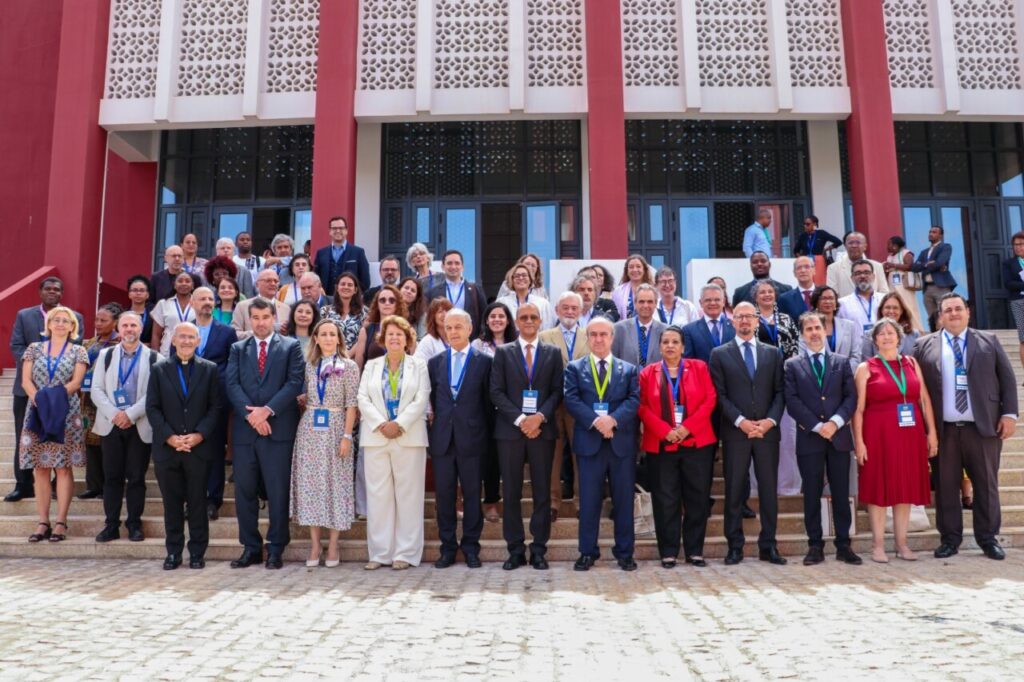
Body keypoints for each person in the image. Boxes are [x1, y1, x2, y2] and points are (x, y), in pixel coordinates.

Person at [914, 293, 1018, 561]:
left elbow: (1007, 378)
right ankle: (950, 539)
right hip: (944, 430)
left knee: (986, 484)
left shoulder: (989, 341)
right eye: (948, 310)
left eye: (958, 309)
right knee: (946, 485)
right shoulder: (924, 345)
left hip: (983, 428)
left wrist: (1009, 414)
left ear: (968, 312)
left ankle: (987, 538)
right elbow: (917, 390)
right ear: (940, 316)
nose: (954, 314)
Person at [226, 298, 305, 569]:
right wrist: (252, 416)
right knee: (245, 492)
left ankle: (276, 548)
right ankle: (250, 547)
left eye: (265, 317)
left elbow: (295, 382)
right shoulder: (238, 348)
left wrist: (267, 410)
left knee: (277, 491)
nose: (260, 322)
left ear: (274, 318)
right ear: (249, 319)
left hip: (278, 430)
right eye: (255, 318)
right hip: (246, 432)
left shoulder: (291, 346)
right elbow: (232, 383)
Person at [853, 318, 937, 563]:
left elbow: (923, 399)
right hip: (877, 435)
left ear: (899, 338)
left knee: (905, 487)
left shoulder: (911, 363)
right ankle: (877, 545)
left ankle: (902, 543)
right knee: (879, 488)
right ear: (875, 339)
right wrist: (859, 441)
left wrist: (931, 432)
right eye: (882, 334)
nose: (887, 337)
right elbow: (858, 409)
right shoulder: (865, 368)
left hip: (910, 435)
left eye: (891, 333)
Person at [709, 301, 786, 566]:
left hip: (766, 433)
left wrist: (770, 421)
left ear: (757, 321)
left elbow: (779, 392)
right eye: (739, 317)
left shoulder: (773, 353)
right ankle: (735, 546)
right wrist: (740, 421)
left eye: (749, 317)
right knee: (733, 492)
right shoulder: (719, 354)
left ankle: (769, 545)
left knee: (768, 491)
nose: (744, 321)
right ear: (732, 321)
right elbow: (719, 395)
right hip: (736, 432)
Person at [489, 303, 564, 570]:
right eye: (524, 317)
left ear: (540, 320)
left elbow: (557, 391)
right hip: (511, 432)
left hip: (542, 431)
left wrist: (538, 418)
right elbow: (496, 391)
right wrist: (522, 419)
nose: (529, 321)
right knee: (510, 492)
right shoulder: (504, 353)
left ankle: (539, 549)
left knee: (542, 493)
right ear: (516, 322)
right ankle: (515, 549)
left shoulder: (553, 353)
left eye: (533, 317)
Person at [783, 312, 862, 566]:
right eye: (809, 329)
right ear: (802, 335)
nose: (814, 332)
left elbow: (851, 397)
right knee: (812, 494)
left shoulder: (841, 363)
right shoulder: (792, 365)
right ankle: (814, 545)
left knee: (841, 492)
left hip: (838, 438)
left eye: (818, 327)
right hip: (810, 438)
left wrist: (835, 423)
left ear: (825, 331)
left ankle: (843, 545)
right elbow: (792, 401)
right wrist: (818, 426)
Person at [564, 316, 640, 571]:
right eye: (593, 334)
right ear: (587, 338)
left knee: (623, 500)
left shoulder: (628, 369)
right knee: (588, 501)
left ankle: (625, 552)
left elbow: (634, 400)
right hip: (589, 444)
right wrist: (598, 422)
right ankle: (587, 552)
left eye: (603, 334)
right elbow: (572, 400)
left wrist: (613, 420)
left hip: (621, 445)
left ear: (612, 338)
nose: (598, 339)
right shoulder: (575, 368)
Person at [637, 325, 717, 568]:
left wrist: (686, 428)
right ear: (659, 347)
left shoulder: (700, 368)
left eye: (675, 342)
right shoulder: (648, 373)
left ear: (683, 346)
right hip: (662, 446)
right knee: (665, 499)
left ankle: (694, 551)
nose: (670, 346)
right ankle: (668, 552)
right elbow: (641, 407)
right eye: (665, 342)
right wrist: (665, 431)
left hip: (697, 442)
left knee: (697, 498)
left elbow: (710, 399)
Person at [145, 323, 221, 569]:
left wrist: (199, 435)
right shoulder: (159, 369)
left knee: (198, 503)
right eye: (182, 337)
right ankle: (173, 552)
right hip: (168, 449)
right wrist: (169, 436)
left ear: (198, 341)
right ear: (173, 340)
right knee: (172, 504)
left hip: (198, 449)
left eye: (191, 337)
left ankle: (197, 552)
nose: (187, 341)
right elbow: (152, 408)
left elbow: (215, 408)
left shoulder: (210, 370)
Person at [357, 315, 430, 570]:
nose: (395, 338)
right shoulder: (372, 366)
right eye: (390, 334)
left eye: (400, 334)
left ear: (408, 338)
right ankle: (379, 553)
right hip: (376, 437)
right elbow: (362, 397)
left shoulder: (418, 366)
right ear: (383, 339)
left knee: (408, 497)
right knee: (378, 497)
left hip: (408, 437)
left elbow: (421, 398)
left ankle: (406, 554)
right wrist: (381, 424)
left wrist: (398, 424)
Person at [5, 278, 84, 503]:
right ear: (40, 292)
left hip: (62, 394)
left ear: (62, 293)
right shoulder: (24, 315)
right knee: (26, 435)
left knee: (58, 437)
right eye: (48, 289)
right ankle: (23, 484)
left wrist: (54, 387)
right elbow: (16, 346)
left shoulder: (75, 318)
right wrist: (37, 371)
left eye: (56, 289)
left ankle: (53, 485)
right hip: (29, 392)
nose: (52, 292)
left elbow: (76, 349)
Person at [291, 319, 358, 568]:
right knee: (312, 485)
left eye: (333, 334)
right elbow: (310, 392)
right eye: (323, 334)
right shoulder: (310, 365)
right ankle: (315, 543)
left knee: (335, 483)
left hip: (336, 427)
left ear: (339, 338)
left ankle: (333, 543)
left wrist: (347, 435)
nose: (328, 338)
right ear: (315, 339)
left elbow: (352, 403)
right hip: (310, 428)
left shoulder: (349, 366)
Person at [427, 309, 492, 568]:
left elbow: (488, 404)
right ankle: (447, 548)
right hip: (443, 439)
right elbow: (435, 399)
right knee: (444, 496)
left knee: (473, 495)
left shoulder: (484, 362)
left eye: (457, 327)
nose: (452, 332)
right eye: (448, 327)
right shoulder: (435, 362)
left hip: (473, 439)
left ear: (469, 329)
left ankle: (471, 547)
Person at [21, 307, 89, 543]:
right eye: (56, 320)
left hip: (65, 412)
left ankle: (60, 522)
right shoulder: (33, 349)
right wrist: (39, 398)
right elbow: (25, 380)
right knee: (40, 467)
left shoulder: (79, 351)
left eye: (65, 321)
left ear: (73, 327)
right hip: (37, 410)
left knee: (62, 467)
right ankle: (43, 522)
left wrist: (53, 398)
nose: (60, 324)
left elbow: (76, 382)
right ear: (48, 324)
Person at [90, 311, 158, 542]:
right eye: (125, 325)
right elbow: (96, 389)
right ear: (119, 329)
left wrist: (129, 414)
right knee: (112, 477)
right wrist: (115, 414)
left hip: (139, 425)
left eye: (134, 325)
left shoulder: (154, 358)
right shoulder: (106, 355)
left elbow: (153, 395)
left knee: (137, 477)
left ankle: (134, 524)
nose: (129, 329)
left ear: (141, 329)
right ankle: (111, 525)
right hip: (111, 424)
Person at [538, 292, 589, 518]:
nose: (569, 312)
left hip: (581, 404)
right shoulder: (544, 336)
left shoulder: (590, 335)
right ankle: (552, 503)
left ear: (580, 311)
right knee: (553, 455)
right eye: (565, 308)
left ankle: (581, 502)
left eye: (574, 308)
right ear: (557, 311)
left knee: (581, 454)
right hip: (553, 403)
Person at [190, 287, 239, 520]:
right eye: (203, 299)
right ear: (192, 303)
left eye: (211, 299)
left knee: (215, 451)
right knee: (191, 453)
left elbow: (231, 367)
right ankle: (193, 500)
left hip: (216, 400)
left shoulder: (226, 332)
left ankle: (213, 499)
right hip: (187, 401)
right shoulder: (184, 331)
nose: (208, 302)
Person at [471, 301, 518, 522]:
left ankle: (501, 501)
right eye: (493, 316)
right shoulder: (478, 345)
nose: (497, 320)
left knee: (506, 458)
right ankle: (484, 500)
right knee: (487, 456)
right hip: (484, 407)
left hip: (511, 407)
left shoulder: (517, 344)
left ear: (508, 320)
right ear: (486, 321)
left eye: (501, 316)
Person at [80, 303, 121, 500]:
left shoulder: (120, 344)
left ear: (115, 323)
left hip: (110, 400)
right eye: (96, 319)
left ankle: (109, 486)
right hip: (87, 399)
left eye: (103, 321)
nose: (98, 324)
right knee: (90, 442)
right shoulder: (88, 343)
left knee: (108, 444)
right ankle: (93, 485)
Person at [427, 250, 487, 338]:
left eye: (457, 263)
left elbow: (484, 315)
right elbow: (430, 318)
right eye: (449, 263)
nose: (453, 266)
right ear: (443, 267)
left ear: (462, 267)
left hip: (470, 340)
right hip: (443, 340)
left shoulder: (475, 290)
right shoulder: (433, 292)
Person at [911, 225, 956, 330]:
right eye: (930, 232)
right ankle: (934, 338)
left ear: (941, 235)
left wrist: (926, 265)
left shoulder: (945, 247)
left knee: (945, 314)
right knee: (932, 318)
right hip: (927, 288)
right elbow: (914, 267)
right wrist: (929, 264)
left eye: (934, 232)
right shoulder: (924, 252)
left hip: (941, 286)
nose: (931, 234)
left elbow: (940, 262)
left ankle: (949, 337)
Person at [352, 284, 409, 368]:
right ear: (377, 305)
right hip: (372, 379)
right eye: (382, 300)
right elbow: (358, 366)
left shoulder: (406, 329)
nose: (387, 303)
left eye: (392, 300)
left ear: (397, 304)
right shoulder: (367, 331)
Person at [809, 286, 862, 371]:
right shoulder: (808, 327)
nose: (828, 301)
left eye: (831, 298)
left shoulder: (849, 326)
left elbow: (856, 355)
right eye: (823, 298)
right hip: (819, 378)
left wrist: (842, 374)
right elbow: (804, 355)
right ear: (816, 303)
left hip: (846, 376)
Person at [313, 216, 371, 294]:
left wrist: (354, 295)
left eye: (341, 228)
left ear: (346, 230)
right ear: (329, 231)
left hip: (350, 299)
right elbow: (315, 278)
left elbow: (365, 281)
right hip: (326, 299)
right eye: (334, 228)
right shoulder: (321, 253)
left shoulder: (358, 252)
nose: (337, 231)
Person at [612, 283, 665, 367]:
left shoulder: (665, 331)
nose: (645, 305)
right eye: (641, 301)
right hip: (628, 379)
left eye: (650, 302)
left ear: (655, 304)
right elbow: (613, 361)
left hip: (656, 379)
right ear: (635, 304)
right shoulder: (619, 329)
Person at [826, 231, 889, 298]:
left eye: (858, 243)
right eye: (850, 243)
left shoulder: (877, 266)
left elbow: (884, 293)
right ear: (845, 246)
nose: (854, 246)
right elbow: (832, 295)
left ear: (865, 246)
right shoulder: (833, 268)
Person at [682, 283, 735, 363]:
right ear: (701, 303)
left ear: (723, 302)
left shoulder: (735, 327)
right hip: (702, 375)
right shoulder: (689, 330)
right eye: (708, 300)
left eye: (717, 299)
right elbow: (688, 363)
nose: (713, 303)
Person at [231, 269, 291, 339]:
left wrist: (286, 332)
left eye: (276, 281)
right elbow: (234, 334)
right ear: (257, 284)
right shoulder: (242, 306)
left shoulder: (286, 308)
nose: (273, 284)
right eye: (268, 281)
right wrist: (260, 332)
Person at [151, 271, 199, 356]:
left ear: (192, 286)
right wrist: (155, 356)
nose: (184, 284)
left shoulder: (199, 304)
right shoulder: (163, 304)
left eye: (187, 281)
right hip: (167, 352)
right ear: (174, 285)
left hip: (193, 350)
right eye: (180, 281)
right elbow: (156, 334)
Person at [496, 263, 556, 329]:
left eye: (524, 275)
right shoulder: (502, 302)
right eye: (517, 276)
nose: (521, 278)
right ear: (512, 280)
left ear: (530, 279)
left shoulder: (543, 303)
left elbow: (548, 327)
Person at [861, 292, 921, 358]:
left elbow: (918, 362)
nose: (891, 311)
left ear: (901, 311)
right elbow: (866, 364)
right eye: (887, 307)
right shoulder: (869, 336)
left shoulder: (914, 335)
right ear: (881, 310)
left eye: (895, 308)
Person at [882, 235, 925, 324]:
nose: (887, 246)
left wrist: (893, 265)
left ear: (895, 245)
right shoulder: (889, 257)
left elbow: (909, 266)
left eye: (889, 244)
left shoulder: (906, 253)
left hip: (904, 284)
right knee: (895, 304)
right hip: (892, 284)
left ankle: (914, 326)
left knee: (907, 304)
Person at [319, 272, 367, 351]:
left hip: (353, 359)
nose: (346, 287)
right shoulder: (325, 311)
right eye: (343, 284)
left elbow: (362, 340)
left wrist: (347, 357)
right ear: (337, 288)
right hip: (329, 358)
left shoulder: (364, 313)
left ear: (355, 290)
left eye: (350, 285)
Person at [837, 259, 886, 335]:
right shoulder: (842, 304)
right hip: (856, 346)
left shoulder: (884, 299)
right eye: (858, 273)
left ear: (873, 276)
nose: (862, 276)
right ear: (852, 278)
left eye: (867, 272)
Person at [753, 280, 799, 359]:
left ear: (775, 296)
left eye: (770, 292)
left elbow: (795, 344)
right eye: (762, 292)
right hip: (759, 367)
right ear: (756, 298)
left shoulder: (786, 319)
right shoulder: (751, 319)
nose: (767, 294)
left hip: (784, 367)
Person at [1002, 230, 1024, 370]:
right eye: (1015, 244)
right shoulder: (1009, 263)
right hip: (1018, 301)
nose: (1018, 247)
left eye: (1021, 244)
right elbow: (1008, 283)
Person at [611, 254, 655, 320]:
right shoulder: (618, 291)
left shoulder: (653, 290)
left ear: (644, 269)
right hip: (625, 329)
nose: (635, 270)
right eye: (631, 267)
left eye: (638, 266)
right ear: (627, 270)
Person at [778, 256, 818, 323]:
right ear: (794, 273)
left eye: (807, 267)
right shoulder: (784, 299)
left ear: (814, 270)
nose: (803, 270)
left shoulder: (823, 294)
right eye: (799, 268)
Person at [126, 275, 155, 345]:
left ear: (147, 295)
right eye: (135, 290)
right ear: (129, 294)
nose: (138, 293)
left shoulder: (153, 315)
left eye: (142, 290)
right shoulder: (123, 315)